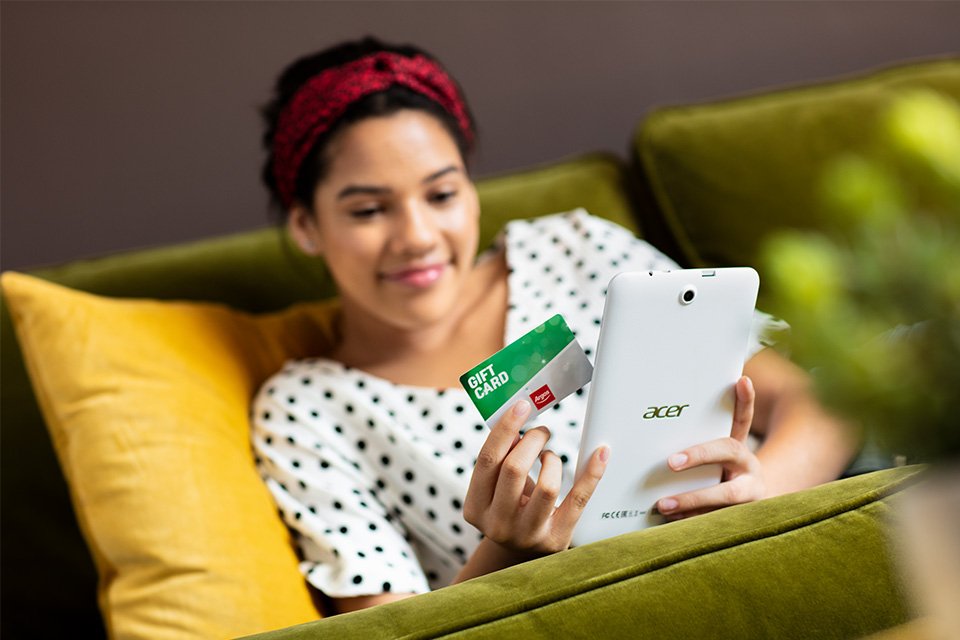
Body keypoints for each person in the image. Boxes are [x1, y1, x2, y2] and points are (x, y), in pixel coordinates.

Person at [251, 37, 859, 615]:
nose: (417, 237)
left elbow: (825, 402)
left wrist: (759, 502)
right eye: (368, 210)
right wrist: (507, 552)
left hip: (765, 563)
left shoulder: (571, 250)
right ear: (306, 225)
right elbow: (389, 628)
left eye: (441, 195)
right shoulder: (309, 411)